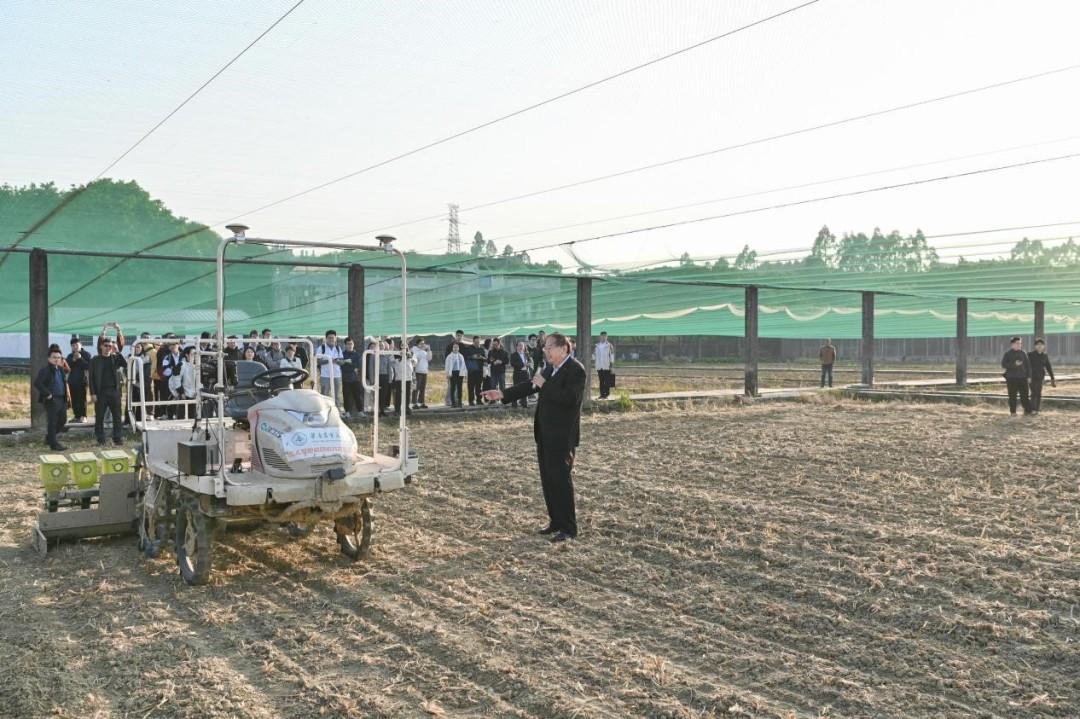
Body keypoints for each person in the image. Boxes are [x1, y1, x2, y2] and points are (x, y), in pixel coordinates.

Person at [483, 333, 585, 543]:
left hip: (561, 435)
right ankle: (556, 521)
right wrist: (502, 394)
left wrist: (545, 385)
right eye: (545, 347)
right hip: (545, 433)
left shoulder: (575, 369)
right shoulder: (550, 368)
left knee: (561, 481)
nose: (546, 351)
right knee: (548, 480)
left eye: (549, 347)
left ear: (563, 348)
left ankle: (568, 527)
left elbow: (571, 399)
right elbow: (531, 385)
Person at [89, 324, 126, 446]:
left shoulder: (115, 358)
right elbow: (91, 378)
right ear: (101, 346)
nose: (108, 348)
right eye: (105, 346)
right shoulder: (95, 360)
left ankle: (118, 437)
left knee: (117, 416)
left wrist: (117, 350)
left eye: (110, 346)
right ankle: (100, 438)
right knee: (99, 416)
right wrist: (93, 393)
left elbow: (125, 364)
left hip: (114, 391)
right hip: (101, 392)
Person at [35, 347, 69, 451]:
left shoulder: (60, 370)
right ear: (49, 358)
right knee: (52, 422)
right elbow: (37, 383)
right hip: (52, 399)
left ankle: (50, 437)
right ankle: (54, 444)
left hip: (62, 399)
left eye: (59, 357)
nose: (56, 359)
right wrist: (47, 394)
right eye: (54, 357)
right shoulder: (45, 371)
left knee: (63, 420)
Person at [1001, 336, 1032, 416]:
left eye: (1020, 343)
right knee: (1012, 396)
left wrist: (1029, 376)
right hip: (1011, 378)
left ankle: (1027, 411)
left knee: (1025, 395)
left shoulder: (1023, 353)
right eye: (1017, 343)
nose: (1019, 345)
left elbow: (1028, 366)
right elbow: (1003, 365)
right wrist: (1014, 364)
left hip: (1022, 377)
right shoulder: (1008, 354)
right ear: (1012, 344)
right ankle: (1013, 412)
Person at [316, 330, 344, 409]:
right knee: (324, 394)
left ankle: (337, 411)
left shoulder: (338, 348)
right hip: (325, 375)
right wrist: (329, 360)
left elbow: (342, 362)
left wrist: (337, 361)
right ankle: (324, 410)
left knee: (337, 395)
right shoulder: (321, 348)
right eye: (329, 338)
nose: (331, 339)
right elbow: (318, 361)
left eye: (333, 338)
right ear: (326, 338)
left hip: (337, 375)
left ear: (335, 338)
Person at [1028, 338, 1056, 416]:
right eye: (1038, 345)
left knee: (1038, 393)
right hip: (1032, 377)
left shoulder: (1045, 356)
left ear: (1044, 346)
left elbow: (1048, 367)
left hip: (1040, 377)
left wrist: (1052, 378)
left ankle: (1036, 409)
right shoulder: (1030, 355)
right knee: (1034, 393)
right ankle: (1033, 409)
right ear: (1035, 346)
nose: (1040, 346)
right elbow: (1027, 366)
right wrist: (1027, 376)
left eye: (1041, 345)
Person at [66, 337, 91, 423]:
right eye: (73, 345)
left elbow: (88, 366)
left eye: (76, 345)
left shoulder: (86, 354)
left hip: (82, 381)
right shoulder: (70, 356)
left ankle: (83, 416)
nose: (75, 347)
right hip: (72, 381)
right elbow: (66, 368)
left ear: (81, 345)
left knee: (82, 399)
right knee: (74, 400)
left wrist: (80, 358)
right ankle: (76, 416)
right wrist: (73, 360)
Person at [172, 345, 199, 419]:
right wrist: (181, 392)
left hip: (195, 395)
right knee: (181, 417)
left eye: (196, 354)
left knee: (194, 417)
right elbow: (176, 379)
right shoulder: (182, 364)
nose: (195, 356)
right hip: (184, 395)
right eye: (193, 354)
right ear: (187, 355)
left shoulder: (197, 365)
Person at [159, 338, 183, 420]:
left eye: (174, 344)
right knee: (171, 399)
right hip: (171, 382)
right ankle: (170, 416)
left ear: (178, 345)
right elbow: (165, 371)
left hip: (182, 381)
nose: (172, 346)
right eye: (170, 345)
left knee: (182, 399)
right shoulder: (167, 357)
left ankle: (181, 416)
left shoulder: (183, 356)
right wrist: (174, 371)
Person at [340, 337, 363, 419]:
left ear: (353, 345)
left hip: (355, 379)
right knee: (346, 396)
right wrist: (352, 366)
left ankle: (360, 411)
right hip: (345, 379)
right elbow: (343, 367)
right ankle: (347, 412)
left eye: (351, 344)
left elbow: (358, 365)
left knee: (357, 395)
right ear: (345, 345)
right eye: (348, 344)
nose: (350, 345)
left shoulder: (357, 355)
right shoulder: (342, 354)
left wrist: (348, 363)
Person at [462, 335, 486, 406]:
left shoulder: (481, 349)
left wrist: (482, 357)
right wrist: (472, 357)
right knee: (471, 386)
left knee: (479, 386)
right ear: (473, 341)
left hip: (480, 370)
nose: (477, 343)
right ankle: (471, 401)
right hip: (471, 370)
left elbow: (485, 359)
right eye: (476, 342)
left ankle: (479, 400)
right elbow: (465, 357)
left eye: (478, 342)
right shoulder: (469, 349)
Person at [444, 329, 465, 407]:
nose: (459, 337)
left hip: (460, 370)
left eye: (461, 336)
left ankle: (458, 401)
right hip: (452, 371)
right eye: (458, 336)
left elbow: (464, 359)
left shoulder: (462, 346)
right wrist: (448, 372)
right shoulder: (450, 346)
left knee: (459, 387)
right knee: (451, 386)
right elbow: (447, 359)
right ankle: (448, 401)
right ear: (455, 336)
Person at [593, 331, 615, 399]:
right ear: (600, 337)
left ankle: (607, 394)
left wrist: (611, 365)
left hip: (607, 366)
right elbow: (594, 356)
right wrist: (594, 360)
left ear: (607, 337)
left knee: (607, 380)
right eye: (602, 336)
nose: (604, 337)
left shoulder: (609, 345)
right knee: (601, 381)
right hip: (599, 366)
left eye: (605, 336)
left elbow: (612, 356)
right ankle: (602, 394)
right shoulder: (596, 346)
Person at [510, 340, 531, 408]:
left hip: (525, 373)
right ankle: (514, 405)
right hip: (518, 374)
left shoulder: (526, 354)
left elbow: (529, 361)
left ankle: (524, 404)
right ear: (516, 347)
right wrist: (523, 364)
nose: (521, 347)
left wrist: (529, 363)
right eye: (519, 345)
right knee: (516, 389)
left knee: (525, 389)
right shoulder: (513, 355)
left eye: (522, 345)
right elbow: (513, 364)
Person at [411, 340, 429, 409]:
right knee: (416, 388)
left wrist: (429, 350)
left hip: (424, 371)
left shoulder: (425, 352)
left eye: (423, 343)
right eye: (421, 344)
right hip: (417, 372)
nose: (422, 345)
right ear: (417, 344)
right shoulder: (415, 351)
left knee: (423, 388)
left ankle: (422, 402)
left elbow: (429, 358)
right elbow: (414, 360)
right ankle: (414, 403)